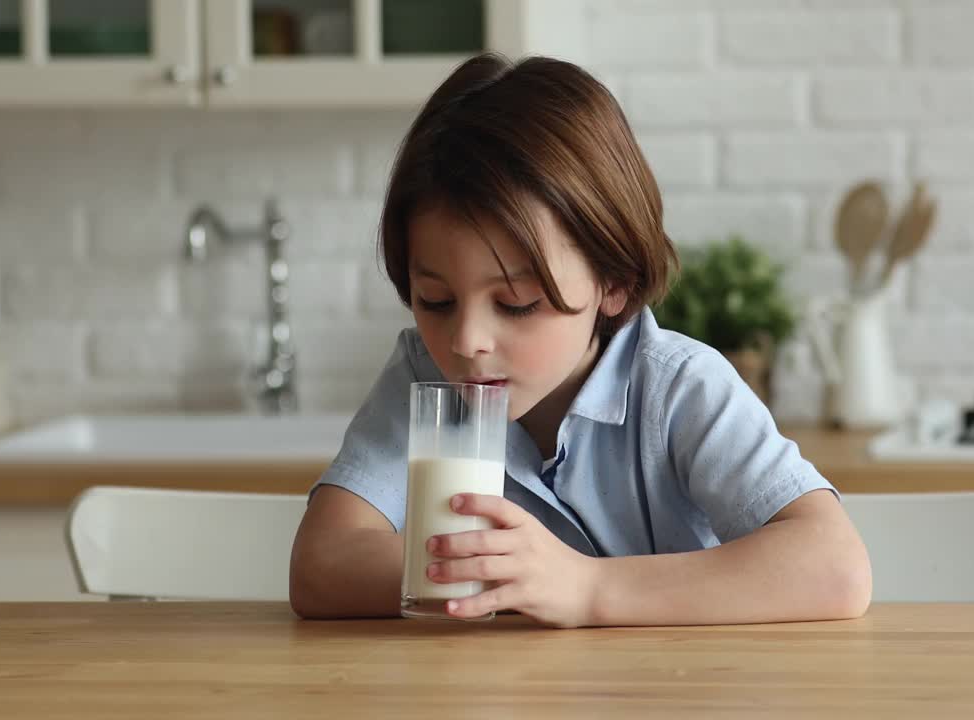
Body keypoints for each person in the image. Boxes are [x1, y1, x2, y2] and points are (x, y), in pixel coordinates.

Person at [290, 53, 871, 628]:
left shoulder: (679, 388)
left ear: (612, 283)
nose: (465, 341)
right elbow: (319, 565)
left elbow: (835, 566)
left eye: (517, 303)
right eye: (436, 301)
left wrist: (585, 586)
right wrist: (502, 575)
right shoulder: (425, 379)